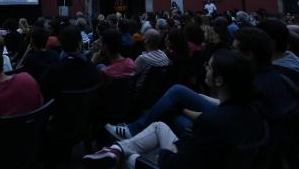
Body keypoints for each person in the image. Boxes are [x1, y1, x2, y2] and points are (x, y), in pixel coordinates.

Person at [85, 50, 266, 169]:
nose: (206, 68)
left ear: (219, 81)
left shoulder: (211, 123)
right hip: (212, 158)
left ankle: (119, 152)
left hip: (173, 164)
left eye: (209, 66)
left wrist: (172, 148)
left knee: (128, 159)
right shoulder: (253, 111)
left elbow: (170, 163)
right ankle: (116, 148)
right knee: (158, 126)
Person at [39, 25, 103, 100]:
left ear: (62, 46)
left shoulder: (51, 71)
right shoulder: (93, 70)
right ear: (79, 44)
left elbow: (43, 93)